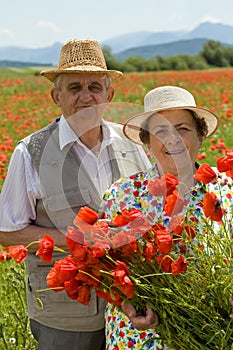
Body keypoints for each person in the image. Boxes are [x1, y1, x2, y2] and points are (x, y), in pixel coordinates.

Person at [0, 38, 152, 350]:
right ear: (56, 96)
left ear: (109, 95)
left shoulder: (133, 144)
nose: (86, 96)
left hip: (134, 302)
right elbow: (7, 231)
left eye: (95, 87)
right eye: (74, 87)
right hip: (66, 311)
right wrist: (77, 237)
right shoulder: (32, 152)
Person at [101, 85, 233, 349]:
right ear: (147, 142)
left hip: (211, 332)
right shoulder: (122, 194)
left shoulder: (227, 193)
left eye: (183, 128)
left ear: (201, 135)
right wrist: (128, 308)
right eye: (160, 131)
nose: (172, 139)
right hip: (139, 337)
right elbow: (105, 267)